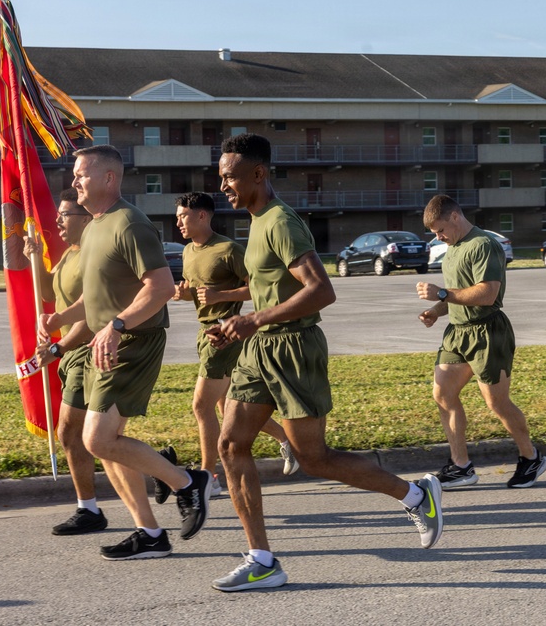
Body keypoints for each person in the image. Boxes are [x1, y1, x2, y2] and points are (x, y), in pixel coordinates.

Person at [208, 133, 442, 592]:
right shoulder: (256, 221)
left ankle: (416, 495)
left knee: (313, 457)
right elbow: (272, 289)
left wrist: (256, 317)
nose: (224, 186)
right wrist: (239, 320)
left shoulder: (280, 222)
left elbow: (321, 290)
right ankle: (262, 560)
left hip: (294, 349)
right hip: (260, 350)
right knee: (231, 445)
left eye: (231, 176)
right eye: (221, 177)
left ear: (259, 173)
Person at [40, 144, 211, 560]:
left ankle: (187, 482)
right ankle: (149, 534)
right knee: (106, 442)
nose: (74, 181)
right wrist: (62, 317)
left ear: (108, 178)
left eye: (81, 174)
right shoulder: (96, 226)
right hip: (104, 340)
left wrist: (117, 326)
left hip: (133, 340)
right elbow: (101, 293)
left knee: (96, 439)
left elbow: (160, 287)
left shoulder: (130, 224)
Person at [169, 192, 299, 499]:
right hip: (205, 333)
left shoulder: (228, 249)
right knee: (227, 407)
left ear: (202, 216)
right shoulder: (188, 251)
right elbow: (200, 291)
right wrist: (186, 294)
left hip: (226, 335)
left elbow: (259, 288)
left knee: (201, 405)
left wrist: (220, 297)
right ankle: (286, 439)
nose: (178, 222)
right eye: (177, 217)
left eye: (183, 216)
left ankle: (207, 477)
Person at [416, 194, 546, 489]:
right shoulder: (452, 249)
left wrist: (441, 295)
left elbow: (487, 293)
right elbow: (456, 294)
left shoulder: (484, 245)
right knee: (443, 393)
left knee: (497, 403)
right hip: (457, 332)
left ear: (454, 217)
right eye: (434, 234)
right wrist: (436, 311)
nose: (438, 237)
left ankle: (531, 457)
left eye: (440, 230)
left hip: (488, 332)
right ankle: (461, 466)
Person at [24, 188, 104, 536]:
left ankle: (89, 510)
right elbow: (48, 294)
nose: (57, 220)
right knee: (99, 437)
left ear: (85, 219)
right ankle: (170, 470)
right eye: (58, 214)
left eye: (65, 215)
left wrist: (58, 348)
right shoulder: (70, 254)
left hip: (88, 350)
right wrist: (37, 256)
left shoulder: (93, 254)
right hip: (71, 352)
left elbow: (92, 310)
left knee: (72, 433)